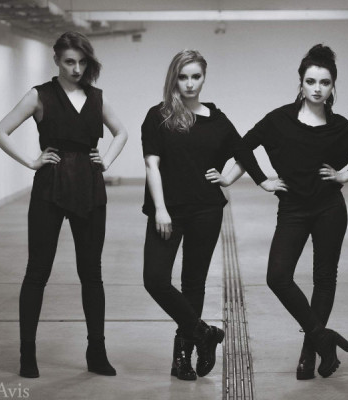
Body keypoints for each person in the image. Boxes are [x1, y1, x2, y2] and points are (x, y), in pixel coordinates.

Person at [0, 31, 128, 378]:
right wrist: (31, 161)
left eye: (82, 62)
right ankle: (27, 353)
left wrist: (107, 160)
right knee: (37, 272)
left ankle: (96, 352)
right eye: (69, 62)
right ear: (56, 60)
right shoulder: (40, 95)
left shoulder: (96, 97)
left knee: (91, 274)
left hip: (90, 187)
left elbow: (121, 132)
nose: (76, 68)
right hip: (50, 186)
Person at [239, 44, 348, 379]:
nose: (317, 88)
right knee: (277, 277)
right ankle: (322, 338)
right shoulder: (279, 120)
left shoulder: (339, 126)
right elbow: (242, 146)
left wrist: (345, 175)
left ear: (332, 86)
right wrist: (263, 181)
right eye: (311, 81)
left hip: (330, 209)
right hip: (293, 209)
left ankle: (309, 355)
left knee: (324, 278)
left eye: (325, 82)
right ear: (300, 83)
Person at [141, 50, 259, 381]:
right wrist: (160, 209)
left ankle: (182, 357)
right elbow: (152, 164)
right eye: (183, 77)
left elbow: (244, 152)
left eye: (196, 76)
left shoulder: (216, 120)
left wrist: (228, 178)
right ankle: (204, 333)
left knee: (193, 283)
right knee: (155, 279)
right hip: (168, 212)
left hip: (206, 210)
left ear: (204, 78)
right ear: (173, 78)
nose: (190, 83)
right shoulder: (158, 116)